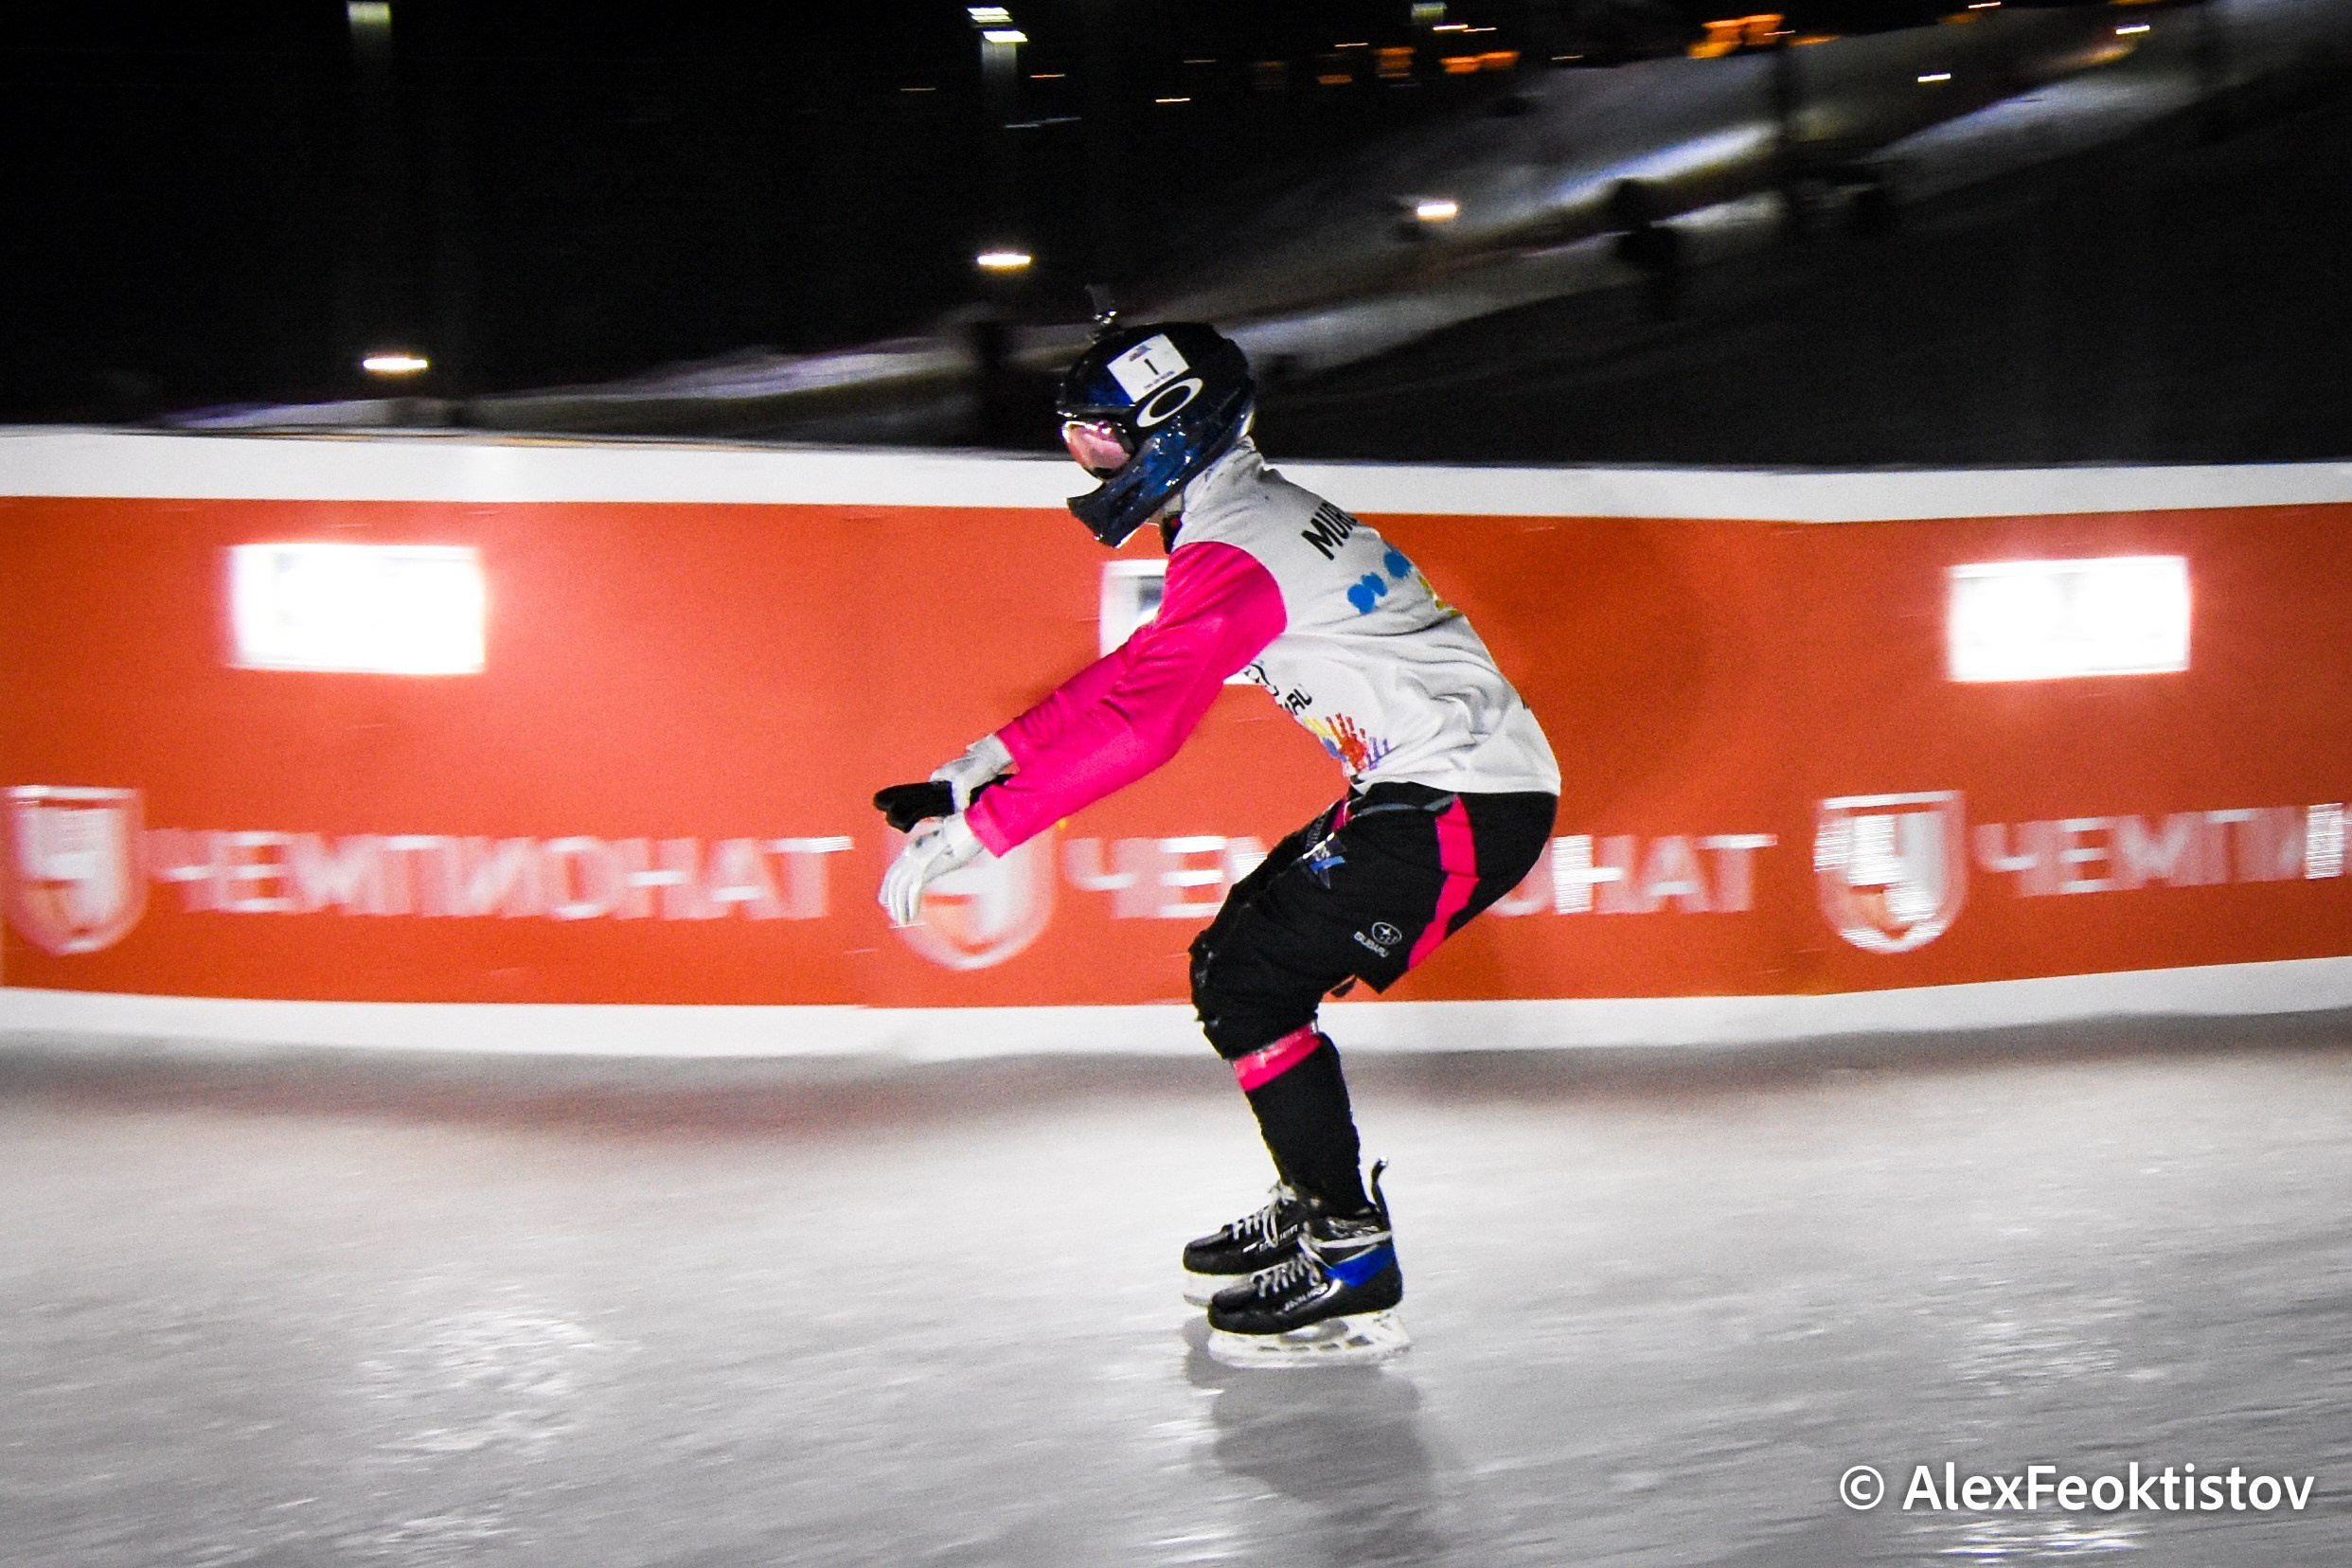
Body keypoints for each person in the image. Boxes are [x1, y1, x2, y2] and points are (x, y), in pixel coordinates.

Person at [874, 318, 1559, 1367]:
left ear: (1172, 432)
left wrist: (990, 827)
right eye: (1079, 444)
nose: (1090, 466)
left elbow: (1146, 725)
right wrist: (981, 761)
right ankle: (1315, 1201)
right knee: (1231, 963)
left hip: (1462, 798)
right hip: (1445, 786)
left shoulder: (1236, 543)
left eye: (1102, 442)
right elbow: (1138, 670)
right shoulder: (1239, 517)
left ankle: (1348, 1248)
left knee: (1248, 984)